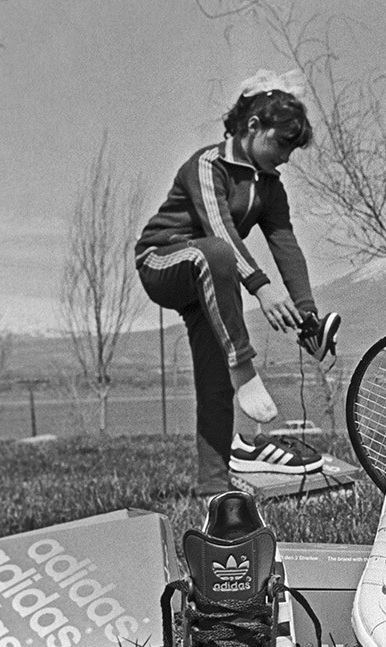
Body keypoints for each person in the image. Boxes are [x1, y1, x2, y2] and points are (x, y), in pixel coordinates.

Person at [135, 69, 329, 496]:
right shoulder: (209, 165)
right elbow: (219, 230)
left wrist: (307, 312)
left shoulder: (269, 186)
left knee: (213, 380)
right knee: (216, 252)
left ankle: (213, 489)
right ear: (253, 126)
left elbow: (285, 243)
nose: (285, 157)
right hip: (164, 261)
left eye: (292, 150)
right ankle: (244, 365)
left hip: (210, 282)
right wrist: (261, 286)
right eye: (281, 143)